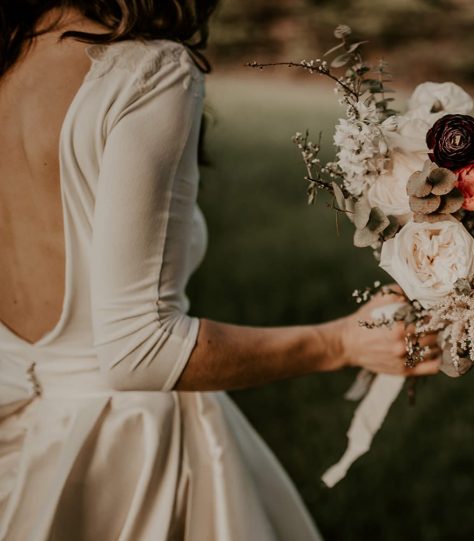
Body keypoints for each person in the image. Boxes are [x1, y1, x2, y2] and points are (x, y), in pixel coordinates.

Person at [0, 3, 441, 539]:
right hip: (125, 459)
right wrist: (341, 343)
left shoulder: (10, 56)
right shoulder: (147, 71)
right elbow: (139, 351)